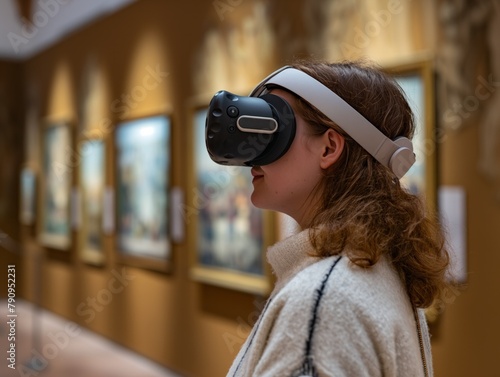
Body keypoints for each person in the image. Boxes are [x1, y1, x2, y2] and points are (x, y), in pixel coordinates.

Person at [220, 61, 450, 377]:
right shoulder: (374, 266)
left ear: (329, 147)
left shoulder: (321, 305)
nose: (252, 156)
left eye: (274, 127)